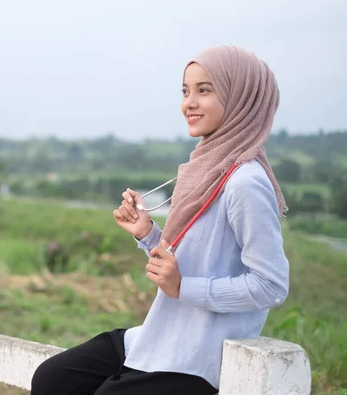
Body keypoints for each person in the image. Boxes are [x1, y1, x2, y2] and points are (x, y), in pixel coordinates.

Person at [30, 45, 290, 395]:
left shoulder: (246, 181)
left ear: (241, 97)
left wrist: (184, 288)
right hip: (159, 334)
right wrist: (149, 235)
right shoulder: (205, 167)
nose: (189, 103)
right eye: (185, 91)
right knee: (53, 378)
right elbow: (193, 261)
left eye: (205, 90)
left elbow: (271, 285)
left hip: (198, 355)